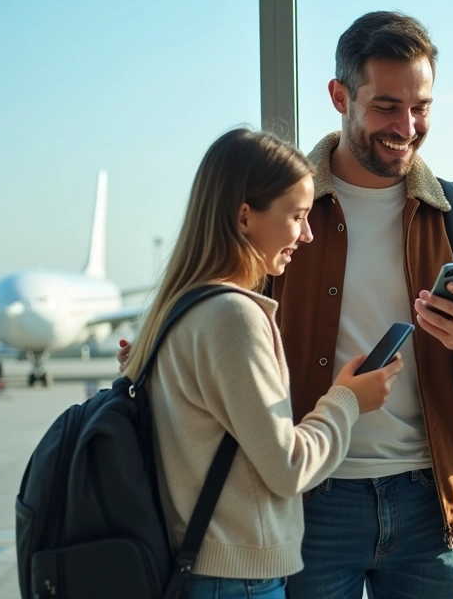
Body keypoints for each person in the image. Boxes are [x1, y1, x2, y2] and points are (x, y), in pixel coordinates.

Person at [272, 11, 453, 598]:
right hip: (310, 501)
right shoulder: (280, 212)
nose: (407, 125)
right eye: (387, 106)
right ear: (339, 96)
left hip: (429, 507)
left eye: (422, 107)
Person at [121, 128, 403, 599]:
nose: (308, 234)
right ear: (245, 216)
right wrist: (347, 402)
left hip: (193, 565)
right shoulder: (234, 317)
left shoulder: (180, 307)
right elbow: (288, 467)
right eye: (296, 216)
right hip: (236, 579)